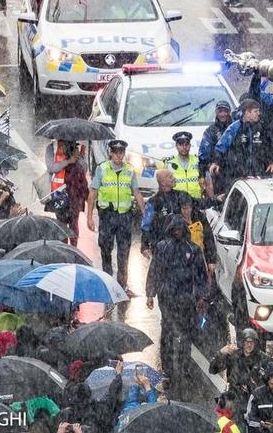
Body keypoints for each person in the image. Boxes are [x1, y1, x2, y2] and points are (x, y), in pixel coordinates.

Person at [145, 215, 209, 379]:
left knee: (186, 333)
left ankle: (184, 364)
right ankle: (167, 368)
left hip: (186, 298)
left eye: (180, 230)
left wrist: (202, 297)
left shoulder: (193, 249)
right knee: (167, 330)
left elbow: (201, 275)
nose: (177, 233)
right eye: (175, 230)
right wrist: (150, 293)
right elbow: (154, 270)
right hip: (167, 297)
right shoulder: (162, 247)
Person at [87, 140, 145, 288]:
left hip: (124, 216)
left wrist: (145, 214)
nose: (119, 156)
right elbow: (93, 193)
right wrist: (89, 217)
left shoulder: (130, 171)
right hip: (107, 216)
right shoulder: (102, 169)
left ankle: (122, 284)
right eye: (116, 153)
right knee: (106, 249)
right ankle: (107, 281)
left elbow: (137, 193)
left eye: (121, 153)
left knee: (124, 251)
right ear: (110, 153)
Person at [209, 328, 272, 430]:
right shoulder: (233, 356)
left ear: (256, 343)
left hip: (254, 400)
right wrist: (221, 353)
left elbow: (272, 380)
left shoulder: (263, 359)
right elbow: (213, 369)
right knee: (235, 428)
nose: (249, 344)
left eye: (252, 342)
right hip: (235, 401)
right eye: (247, 341)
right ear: (242, 342)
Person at [211, 99, 273, 181]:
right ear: (247, 113)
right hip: (238, 176)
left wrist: (272, 162)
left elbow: (270, 147)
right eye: (255, 111)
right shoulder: (234, 127)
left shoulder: (262, 127)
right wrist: (216, 162)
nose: (258, 114)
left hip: (259, 175)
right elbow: (220, 148)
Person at [140, 169, 185, 256]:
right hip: (160, 247)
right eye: (170, 177)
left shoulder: (181, 196)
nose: (174, 178)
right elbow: (146, 225)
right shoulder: (153, 201)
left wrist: (216, 200)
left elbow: (197, 204)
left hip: (180, 245)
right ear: (163, 183)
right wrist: (144, 246)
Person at [161, 131, 211, 201]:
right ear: (176, 146)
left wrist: (212, 201)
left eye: (186, 144)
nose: (184, 147)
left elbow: (209, 184)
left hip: (196, 203)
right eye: (181, 145)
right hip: (177, 204)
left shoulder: (199, 161)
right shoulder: (169, 164)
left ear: (190, 146)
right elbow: (164, 187)